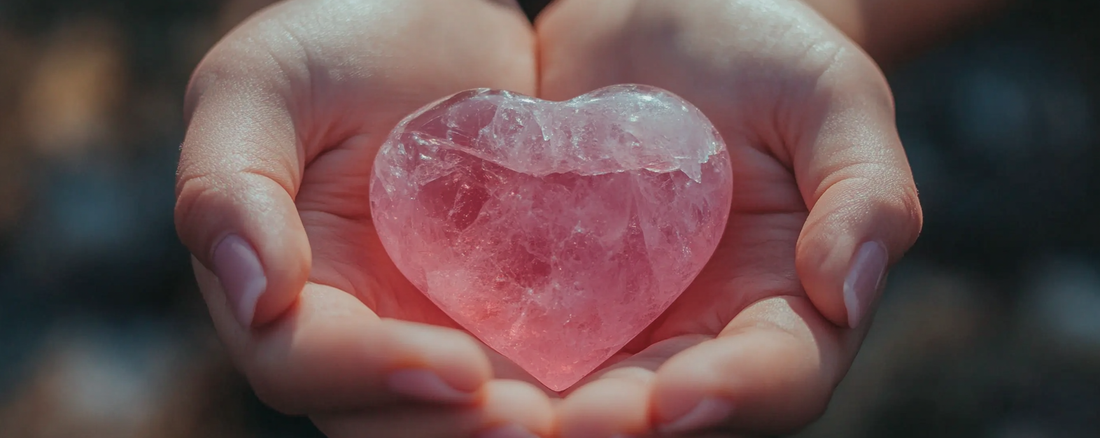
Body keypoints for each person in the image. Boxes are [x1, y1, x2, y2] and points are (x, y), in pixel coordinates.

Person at [174, 0, 1001, 436]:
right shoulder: (419, 151)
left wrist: (827, 11)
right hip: (360, 291)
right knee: (338, 366)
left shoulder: (676, 145)